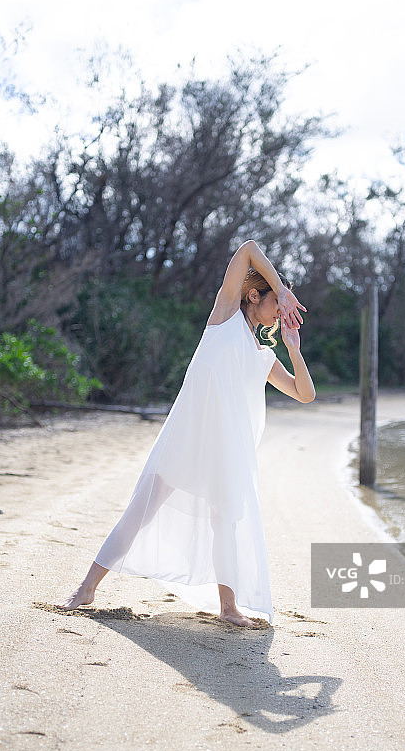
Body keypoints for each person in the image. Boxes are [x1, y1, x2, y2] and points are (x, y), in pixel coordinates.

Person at [56, 240, 315, 628]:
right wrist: (284, 289)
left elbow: (305, 394)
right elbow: (247, 249)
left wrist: (293, 347)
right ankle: (87, 587)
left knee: (223, 522)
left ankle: (228, 608)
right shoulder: (224, 316)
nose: (281, 312)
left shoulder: (264, 356)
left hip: (226, 452)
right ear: (252, 295)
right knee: (141, 509)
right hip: (187, 438)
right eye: (275, 304)